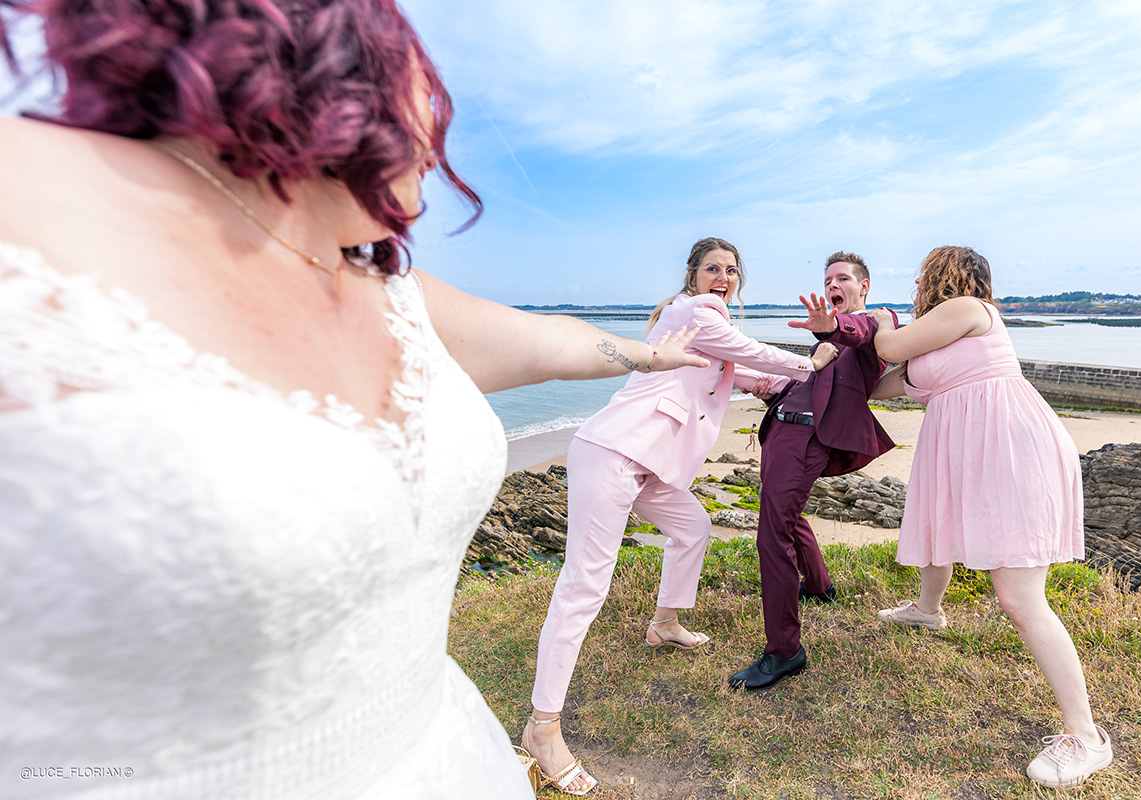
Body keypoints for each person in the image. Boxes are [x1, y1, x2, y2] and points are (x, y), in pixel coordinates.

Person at [0, 2, 710, 798]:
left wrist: (656, 355)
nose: (440, 149)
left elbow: (553, 340)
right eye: (430, 97)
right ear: (347, 65)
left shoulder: (380, 287)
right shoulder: (26, 196)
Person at [522, 237, 838, 794]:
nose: (724, 277)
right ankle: (542, 729)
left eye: (732, 270)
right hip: (615, 453)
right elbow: (751, 352)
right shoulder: (697, 311)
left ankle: (664, 623)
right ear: (693, 276)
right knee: (583, 589)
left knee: (692, 527)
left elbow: (742, 374)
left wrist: (810, 379)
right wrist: (809, 359)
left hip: (649, 465)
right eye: (713, 268)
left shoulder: (699, 332)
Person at [869, 246, 1111, 788]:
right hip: (970, 452)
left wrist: (877, 320)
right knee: (939, 530)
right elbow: (882, 384)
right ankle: (927, 610)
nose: (919, 283)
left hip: (1008, 450)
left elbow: (886, 345)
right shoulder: (940, 349)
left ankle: (1088, 736)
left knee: (1020, 599)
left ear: (943, 277)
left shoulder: (969, 310)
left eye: (924, 275)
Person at [728, 252, 896, 691]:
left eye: (842, 278)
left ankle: (784, 651)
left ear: (864, 286)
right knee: (785, 514)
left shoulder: (876, 321)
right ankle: (818, 584)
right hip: (781, 428)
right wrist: (774, 391)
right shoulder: (825, 334)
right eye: (828, 279)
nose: (833, 285)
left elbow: (858, 333)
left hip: (807, 441)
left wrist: (832, 328)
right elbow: (815, 385)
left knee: (772, 531)